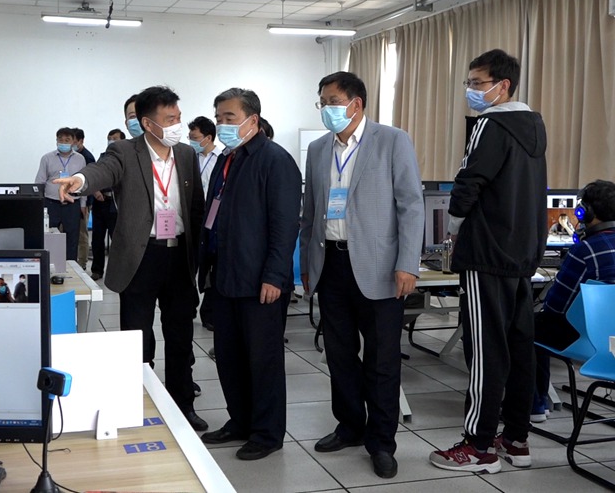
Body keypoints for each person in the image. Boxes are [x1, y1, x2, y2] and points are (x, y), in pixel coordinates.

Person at [53, 86, 207, 432]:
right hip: (141, 256)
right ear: (148, 123)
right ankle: (138, 403)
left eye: (178, 117)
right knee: (137, 337)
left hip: (179, 255)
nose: (177, 125)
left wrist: (197, 254)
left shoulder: (186, 154)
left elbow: (195, 205)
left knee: (181, 336)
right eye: (170, 119)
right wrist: (79, 180)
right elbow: (102, 172)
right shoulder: (123, 151)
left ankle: (183, 405)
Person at [299, 72, 424, 478]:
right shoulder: (319, 149)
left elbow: (411, 205)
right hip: (331, 264)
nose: (326, 109)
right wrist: (307, 267)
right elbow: (310, 211)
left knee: (382, 359)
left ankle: (382, 442)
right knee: (339, 355)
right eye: (322, 102)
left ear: (356, 103)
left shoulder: (392, 140)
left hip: (380, 268)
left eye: (333, 101)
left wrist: (407, 263)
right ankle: (350, 426)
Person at [430, 49, 547, 473]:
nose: (471, 91)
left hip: (486, 253)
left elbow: (469, 180)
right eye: (470, 83)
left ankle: (477, 446)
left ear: (503, 85)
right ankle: (515, 438)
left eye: (477, 83)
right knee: (518, 348)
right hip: (523, 253)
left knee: (485, 351)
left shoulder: (489, 124)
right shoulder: (534, 126)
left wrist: (454, 226)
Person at [198, 88, 301, 461]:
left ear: (252, 120)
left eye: (229, 117)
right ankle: (240, 421)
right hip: (225, 277)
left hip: (261, 282)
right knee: (229, 357)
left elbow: (285, 225)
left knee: (262, 361)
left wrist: (275, 275)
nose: (222, 124)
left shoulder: (275, 161)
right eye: (219, 118)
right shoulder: (227, 160)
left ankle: (267, 433)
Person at [533, 180, 615, 421]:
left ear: (584, 213)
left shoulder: (585, 250)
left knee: (526, 326)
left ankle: (535, 405)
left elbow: (555, 307)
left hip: (588, 339)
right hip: (613, 340)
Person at [187, 116, 221, 332]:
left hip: (212, 218)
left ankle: (209, 312)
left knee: (210, 265)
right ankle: (189, 305)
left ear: (208, 138)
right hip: (191, 216)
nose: (191, 141)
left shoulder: (221, 159)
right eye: (190, 137)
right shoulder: (189, 157)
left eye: (195, 137)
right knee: (189, 264)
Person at [35, 128, 86, 261]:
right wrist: (39, 204)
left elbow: (83, 184)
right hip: (51, 203)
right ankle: (50, 265)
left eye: (67, 140)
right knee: (50, 237)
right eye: (60, 140)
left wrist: (83, 204)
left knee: (72, 238)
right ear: (56, 140)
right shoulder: (47, 158)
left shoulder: (80, 159)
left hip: (72, 204)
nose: (63, 142)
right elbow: (40, 182)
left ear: (73, 141)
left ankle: (71, 266)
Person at [89, 128, 125, 281]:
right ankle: (97, 270)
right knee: (97, 238)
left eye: (115, 138)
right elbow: (96, 175)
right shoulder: (103, 157)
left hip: (115, 203)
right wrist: (95, 190)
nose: (112, 141)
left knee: (116, 239)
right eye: (110, 138)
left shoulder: (127, 158)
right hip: (100, 202)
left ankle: (119, 271)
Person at [73, 128, 96, 269]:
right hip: (70, 200)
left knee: (82, 233)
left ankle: (82, 263)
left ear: (81, 141)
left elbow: (90, 182)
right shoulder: (70, 157)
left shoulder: (87, 157)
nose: (71, 144)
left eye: (73, 141)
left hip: (84, 202)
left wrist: (84, 204)